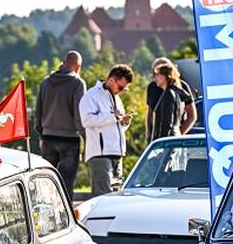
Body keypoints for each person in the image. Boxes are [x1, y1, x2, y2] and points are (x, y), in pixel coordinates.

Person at [35, 51, 86, 200]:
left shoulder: (45, 82)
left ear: (64, 63)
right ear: (78, 66)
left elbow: (38, 111)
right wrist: (86, 137)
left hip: (48, 137)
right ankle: (66, 216)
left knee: (46, 181)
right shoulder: (78, 83)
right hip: (69, 139)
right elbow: (79, 114)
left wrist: (41, 133)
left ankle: (46, 213)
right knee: (66, 182)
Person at [78, 64, 134, 198]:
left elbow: (114, 125)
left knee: (116, 196)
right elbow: (87, 121)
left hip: (117, 153)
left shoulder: (117, 98)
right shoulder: (91, 96)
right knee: (103, 196)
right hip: (100, 154)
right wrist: (113, 116)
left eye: (124, 89)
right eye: (120, 87)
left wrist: (124, 123)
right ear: (111, 80)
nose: (121, 91)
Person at [146, 57, 196, 137]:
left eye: (157, 73)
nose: (154, 76)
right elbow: (150, 115)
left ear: (166, 74)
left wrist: (178, 135)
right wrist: (150, 136)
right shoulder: (152, 87)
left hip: (169, 139)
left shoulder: (174, 91)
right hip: (163, 138)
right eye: (154, 72)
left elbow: (192, 115)